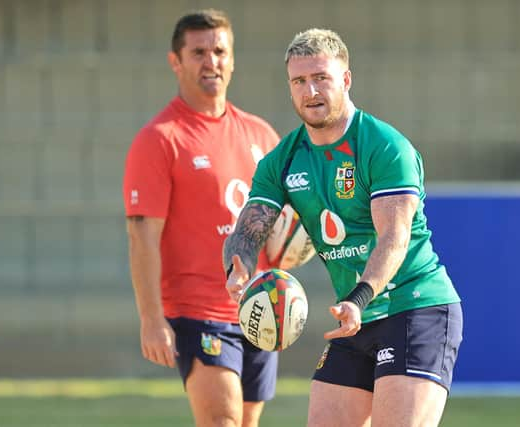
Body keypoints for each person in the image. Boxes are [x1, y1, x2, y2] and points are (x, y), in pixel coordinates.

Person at [223, 29, 463, 427]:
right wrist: (239, 267)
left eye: (321, 78)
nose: (310, 90)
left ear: (346, 80)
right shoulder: (281, 161)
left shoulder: (385, 146)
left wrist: (359, 298)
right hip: (355, 319)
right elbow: (248, 230)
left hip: (416, 308)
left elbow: (394, 237)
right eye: (299, 81)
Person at [122, 10, 280, 427]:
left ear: (232, 58)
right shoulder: (160, 139)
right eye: (198, 52)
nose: (211, 61)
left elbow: (282, 225)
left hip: (259, 306)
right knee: (221, 421)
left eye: (220, 51)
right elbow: (142, 238)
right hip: (198, 310)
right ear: (176, 61)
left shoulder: (261, 134)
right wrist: (152, 319)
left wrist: (291, 247)